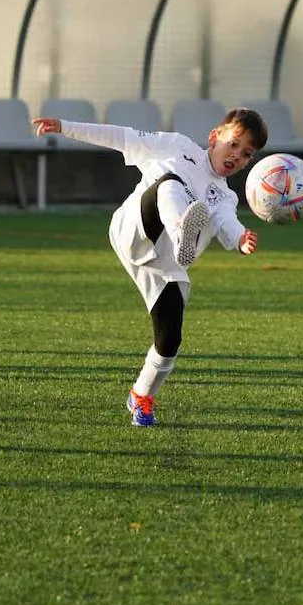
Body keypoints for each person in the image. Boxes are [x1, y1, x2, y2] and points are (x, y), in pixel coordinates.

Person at [32, 107, 266, 426]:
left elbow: (228, 222)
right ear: (215, 136)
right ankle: (180, 226)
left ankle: (141, 395)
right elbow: (120, 136)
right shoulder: (175, 146)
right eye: (234, 144)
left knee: (170, 340)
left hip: (164, 262)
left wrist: (241, 239)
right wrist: (65, 127)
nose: (236, 156)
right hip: (134, 229)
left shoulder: (224, 197)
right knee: (168, 183)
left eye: (246, 154)